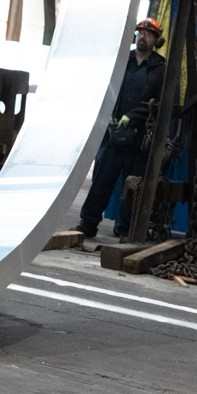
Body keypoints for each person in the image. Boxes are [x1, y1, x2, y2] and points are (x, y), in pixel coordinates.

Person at [73, 17, 167, 240]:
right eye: (140, 32)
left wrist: (133, 116)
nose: (143, 36)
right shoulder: (121, 63)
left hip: (139, 140)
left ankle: (125, 229)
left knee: (133, 187)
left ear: (156, 39)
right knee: (101, 182)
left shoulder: (160, 69)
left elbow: (159, 103)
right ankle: (88, 224)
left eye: (149, 33)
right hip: (113, 136)